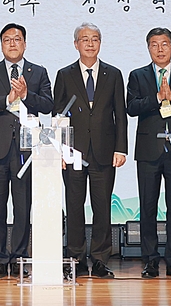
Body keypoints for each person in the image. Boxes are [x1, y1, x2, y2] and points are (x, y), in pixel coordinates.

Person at [0, 23, 52, 279]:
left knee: (22, 207)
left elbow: (48, 104)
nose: (12, 43)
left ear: (25, 44)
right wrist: (7, 99)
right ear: (1, 45)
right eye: (7, 39)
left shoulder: (38, 72)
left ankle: (19, 258)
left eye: (17, 39)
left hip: (26, 149)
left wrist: (27, 95)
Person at [53, 22, 127, 279]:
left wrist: (121, 148)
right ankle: (75, 259)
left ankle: (100, 260)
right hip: (73, 152)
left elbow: (120, 115)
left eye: (95, 39)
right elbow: (58, 115)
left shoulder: (113, 74)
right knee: (74, 206)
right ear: (76, 44)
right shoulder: (65, 74)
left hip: (104, 151)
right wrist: (60, 151)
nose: (90, 43)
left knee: (102, 207)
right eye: (85, 39)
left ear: (100, 43)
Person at [126, 27, 171, 279]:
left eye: (164, 44)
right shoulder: (138, 75)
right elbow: (131, 107)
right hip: (148, 150)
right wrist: (157, 98)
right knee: (148, 206)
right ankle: (150, 259)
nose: (160, 49)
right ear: (148, 48)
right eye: (154, 44)